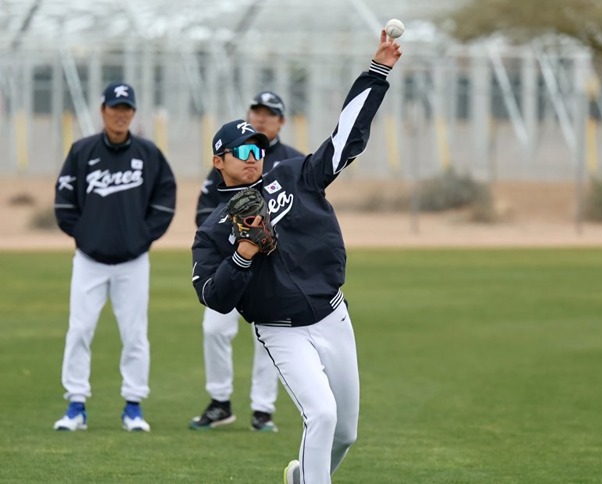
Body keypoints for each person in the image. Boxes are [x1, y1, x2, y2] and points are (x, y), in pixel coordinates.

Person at [191, 30, 401, 484]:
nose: (254, 157)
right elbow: (213, 296)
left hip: (333, 316)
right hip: (281, 331)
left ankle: (301, 478)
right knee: (321, 416)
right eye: (243, 152)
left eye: (259, 149)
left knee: (345, 433)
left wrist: (377, 73)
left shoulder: (292, 175)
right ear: (218, 161)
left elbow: (345, 142)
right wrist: (244, 252)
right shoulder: (213, 230)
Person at [53, 81, 177, 432]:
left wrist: (141, 236)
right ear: (103, 111)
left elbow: (165, 199)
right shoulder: (82, 151)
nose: (120, 115)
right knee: (80, 329)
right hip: (89, 260)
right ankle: (76, 405)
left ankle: (133, 406)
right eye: (114, 108)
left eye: (126, 109)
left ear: (133, 113)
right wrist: (86, 235)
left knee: (135, 333)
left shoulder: (149, 154)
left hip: (133, 261)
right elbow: (64, 202)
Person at [190, 91, 305, 432]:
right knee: (214, 327)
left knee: (267, 337)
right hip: (232, 261)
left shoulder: (291, 162)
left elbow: (303, 218)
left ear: (281, 121)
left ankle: (262, 409)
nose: (261, 118)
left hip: (273, 267)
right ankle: (220, 402)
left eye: (269, 113)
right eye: (257, 111)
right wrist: (233, 245)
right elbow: (203, 214)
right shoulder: (227, 164)